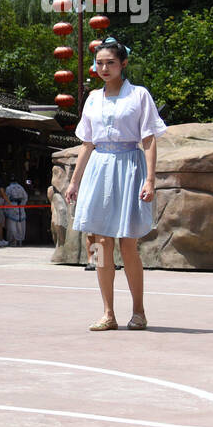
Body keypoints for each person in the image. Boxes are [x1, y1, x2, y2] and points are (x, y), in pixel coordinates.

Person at [64, 36, 167, 331]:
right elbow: (87, 143)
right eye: (99, 63)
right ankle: (107, 312)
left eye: (110, 62)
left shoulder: (139, 96)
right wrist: (74, 182)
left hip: (129, 167)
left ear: (123, 64)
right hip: (99, 169)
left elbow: (148, 139)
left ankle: (138, 311)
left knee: (127, 242)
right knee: (98, 243)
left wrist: (150, 179)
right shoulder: (93, 98)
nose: (104, 68)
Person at [4, 175, 28, 245]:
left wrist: (5, 208)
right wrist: (22, 205)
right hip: (20, 207)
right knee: (20, 224)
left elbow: (6, 198)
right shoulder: (21, 187)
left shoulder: (8, 188)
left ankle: (13, 240)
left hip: (12, 206)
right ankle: (20, 240)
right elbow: (25, 197)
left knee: (12, 224)